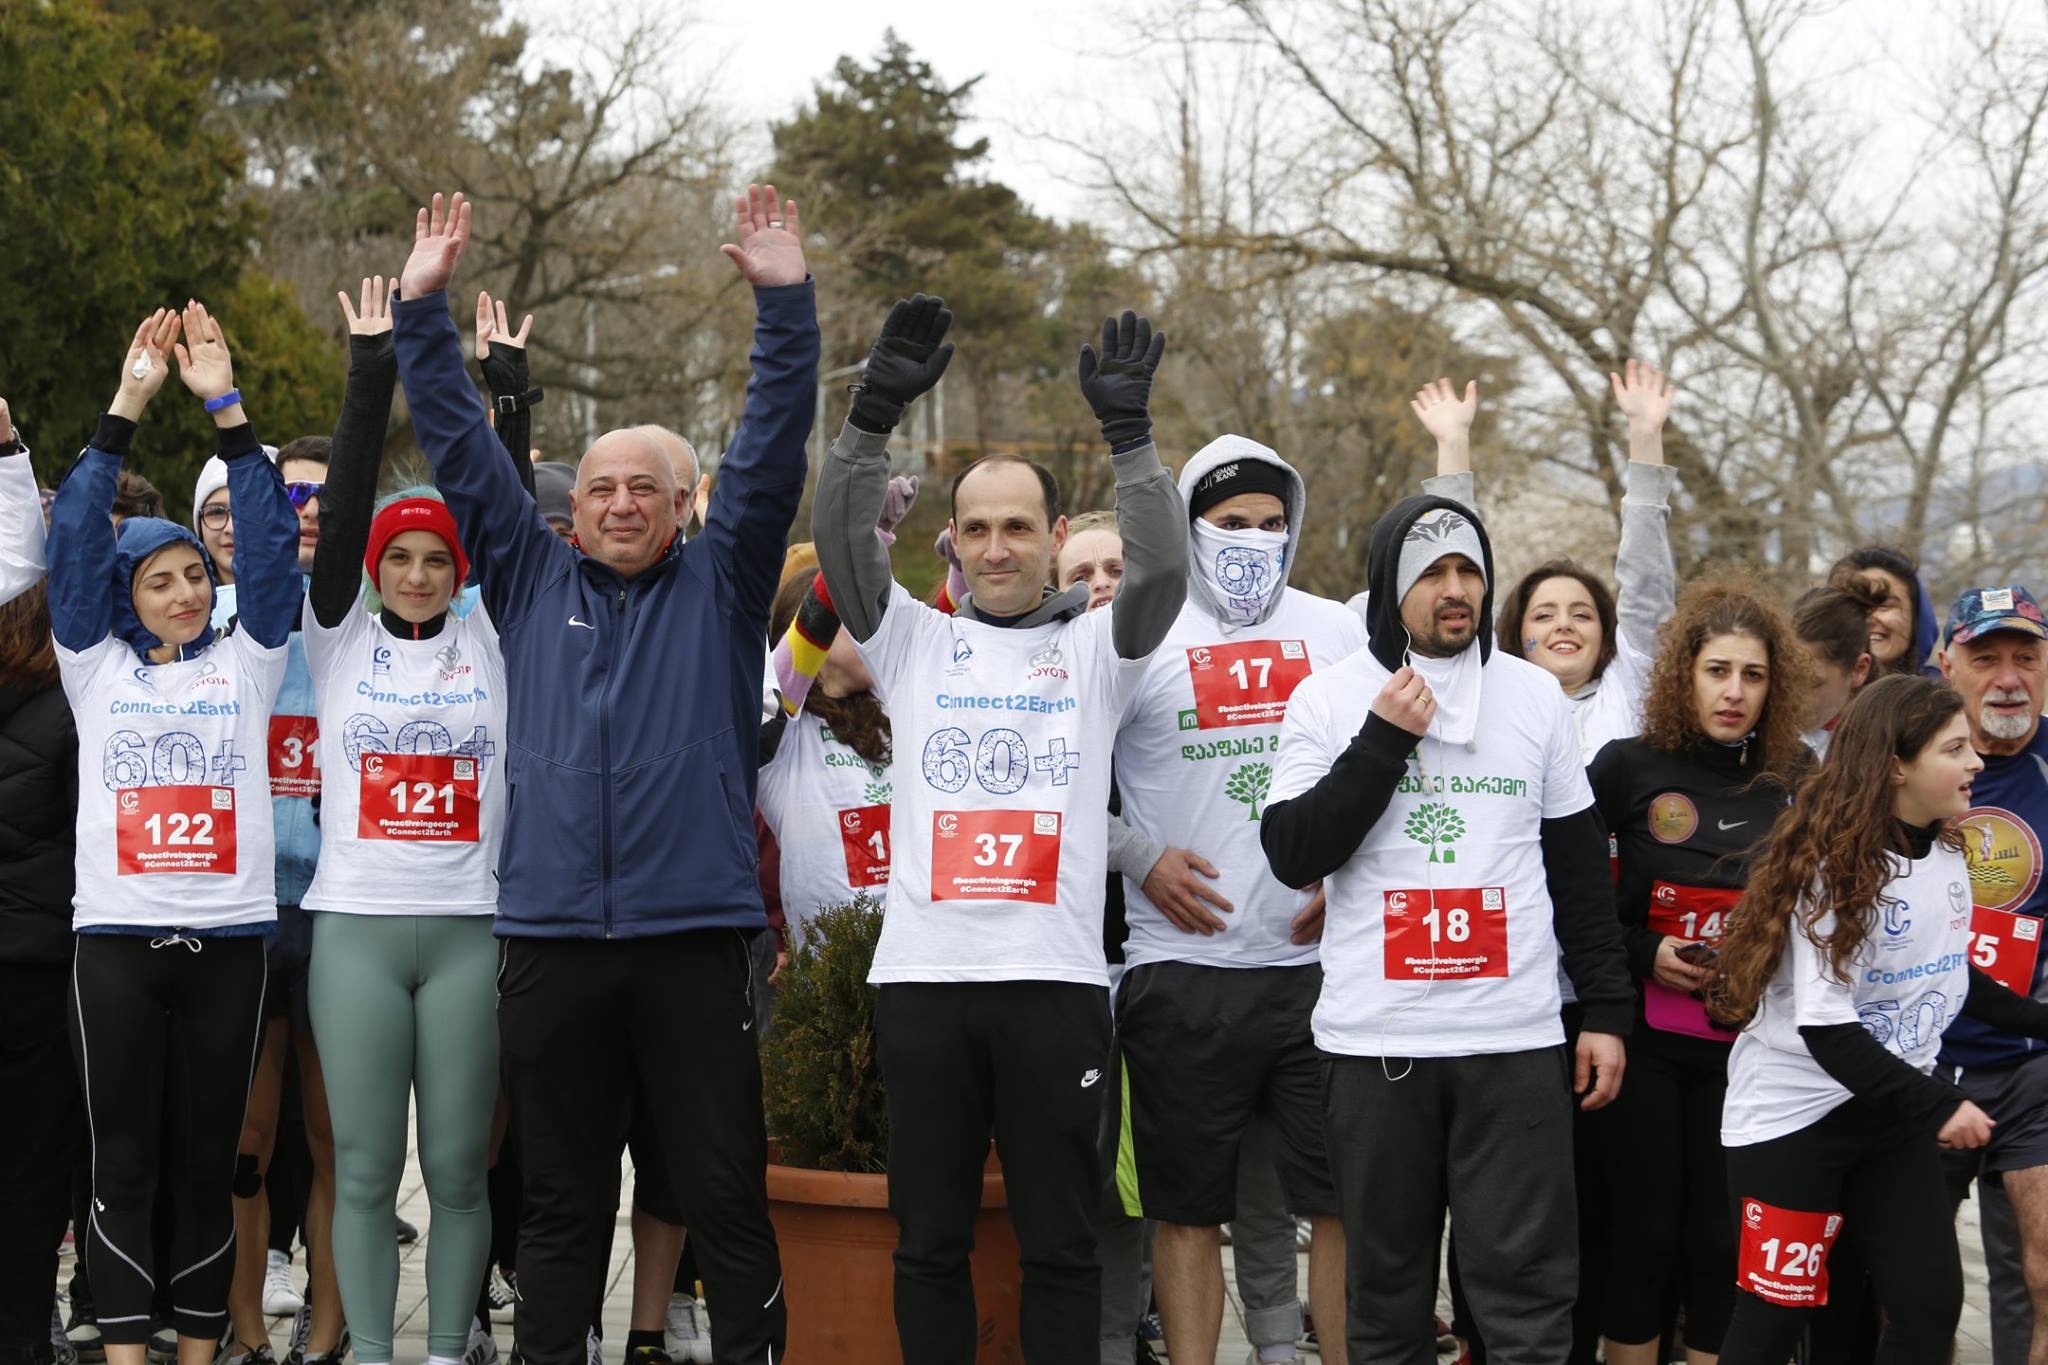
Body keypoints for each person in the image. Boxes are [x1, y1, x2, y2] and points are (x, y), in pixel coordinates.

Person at [389, 186, 816, 1365]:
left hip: (693, 941)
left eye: (645, 490)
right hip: (553, 943)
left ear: (683, 507)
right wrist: (421, 311)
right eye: (600, 489)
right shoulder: (529, 581)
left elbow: (771, 442)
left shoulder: (724, 582)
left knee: (723, 1196)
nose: (621, 503)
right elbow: (461, 448)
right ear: (568, 510)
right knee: (561, 1206)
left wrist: (785, 306)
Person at [812, 296, 1188, 1362]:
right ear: (953, 539)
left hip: (1053, 990)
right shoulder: (913, 640)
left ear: (1056, 539)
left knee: (1059, 1246)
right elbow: (840, 542)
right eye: (975, 527)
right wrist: (870, 415)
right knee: (928, 1242)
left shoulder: (1099, 649)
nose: (995, 547)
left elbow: (1163, 570)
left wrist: (1130, 437)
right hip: (925, 986)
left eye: (1017, 526)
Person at [1259, 492, 1633, 1364]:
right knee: (1386, 1294)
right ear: (1391, 587)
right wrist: (1382, 741)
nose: (1455, 589)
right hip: (1376, 1042)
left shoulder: (1535, 696)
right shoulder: (1327, 697)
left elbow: (1579, 872)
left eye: (1469, 569)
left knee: (1526, 1291)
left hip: (1513, 1039)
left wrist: (1609, 1010)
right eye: (1432, 572)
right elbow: (1292, 850)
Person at [49, 303, 300, 1365]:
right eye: (160, 579)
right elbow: (73, 540)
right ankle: (121, 1352)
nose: (188, 592)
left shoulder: (249, 660)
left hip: (229, 945)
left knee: (208, 1167)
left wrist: (229, 414)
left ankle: (199, 1352)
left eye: (196, 573)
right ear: (125, 597)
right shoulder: (91, 664)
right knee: (123, 1168)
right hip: (114, 945)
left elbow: (274, 552)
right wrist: (126, 407)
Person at [1107, 432, 1364, 1365]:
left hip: (1319, 974)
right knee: (1186, 1213)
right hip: (1182, 972)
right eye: (1229, 522)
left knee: (1338, 1205)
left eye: (1269, 522)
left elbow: (1395, 769)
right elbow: (1056, 781)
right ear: (1189, 525)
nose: (1252, 538)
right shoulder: (1137, 631)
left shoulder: (1338, 630)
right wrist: (1139, 856)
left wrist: (1352, 876)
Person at [1707, 672, 2048, 1363]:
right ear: (1896, 765)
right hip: (1794, 1122)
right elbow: (1827, 1029)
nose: (1976, 762)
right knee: (1775, 1318)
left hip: (1891, 1118)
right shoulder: (1830, 869)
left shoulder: (1949, 852)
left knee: (1929, 1309)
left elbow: (1953, 976)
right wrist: (1942, 1104)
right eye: (1954, 748)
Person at [295, 274, 508, 1365]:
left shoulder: (493, 637)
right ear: (373, 570)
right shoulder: (336, 636)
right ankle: (373, 1351)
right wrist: (370, 370)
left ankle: (447, 1351)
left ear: (457, 572)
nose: (417, 574)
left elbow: (497, 507)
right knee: (367, 1170)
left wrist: (505, 393)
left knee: (461, 1171)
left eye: (435, 559)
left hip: (470, 929)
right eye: (398, 558)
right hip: (356, 933)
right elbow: (339, 508)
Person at [1584, 577, 1814, 1365]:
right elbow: (1570, 896)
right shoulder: (1626, 767)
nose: (1734, 691)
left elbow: (1823, 910)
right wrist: (1643, 949)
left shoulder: (1799, 774)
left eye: (1753, 674)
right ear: (1684, 674)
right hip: (1642, 1041)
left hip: (1752, 1050)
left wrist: (1758, 951)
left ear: (1774, 686)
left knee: (1722, 1239)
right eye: (1718, 670)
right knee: (1643, 1234)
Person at [1404, 362, 1677, 761]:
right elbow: (1460, 563)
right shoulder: (1488, 689)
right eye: (1544, 615)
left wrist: (1646, 433)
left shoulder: (1630, 686)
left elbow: (1646, 581)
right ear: (1516, 632)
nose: (1564, 624)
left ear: (1607, 635)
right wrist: (1453, 442)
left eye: (1582, 615)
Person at [1934, 585, 2048, 1365]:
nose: (2008, 678)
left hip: (2034, 1063)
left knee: (2038, 1273)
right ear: (1948, 666)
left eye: (2026, 657)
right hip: (1923, 1063)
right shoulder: (1907, 757)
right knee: (1913, 1282)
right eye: (1986, 659)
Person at [0, 573, 80, 1365]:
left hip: (33, 956)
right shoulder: (73, 708)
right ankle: (25, 1332)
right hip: (40, 964)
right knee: (33, 1164)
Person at [1791, 579, 1881, 760]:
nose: (1791, 697)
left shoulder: (1880, 749)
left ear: (1859, 670)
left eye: (1810, 682)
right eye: (1786, 678)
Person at [1828, 546, 1939, 679]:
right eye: (1853, 605)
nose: (1867, 618)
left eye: (1883, 605)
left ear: (1917, 618)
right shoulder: (1812, 689)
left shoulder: (1946, 690)